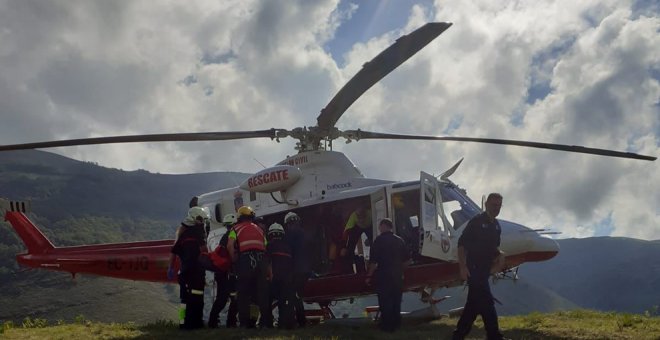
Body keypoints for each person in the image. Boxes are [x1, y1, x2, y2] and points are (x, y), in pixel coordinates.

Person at [452, 193, 508, 340]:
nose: (496, 208)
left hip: (485, 270)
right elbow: (461, 244)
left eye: (499, 205)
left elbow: (494, 247)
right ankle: (494, 336)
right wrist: (462, 267)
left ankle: (458, 335)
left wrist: (500, 254)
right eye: (494, 205)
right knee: (487, 302)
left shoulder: (496, 226)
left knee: (474, 304)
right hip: (473, 268)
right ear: (486, 205)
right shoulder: (476, 222)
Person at [227, 206, 272, 328]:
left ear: (240, 217)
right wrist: (268, 269)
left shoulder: (235, 229)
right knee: (261, 294)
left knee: (243, 294)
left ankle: (244, 324)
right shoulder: (259, 229)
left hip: (245, 262)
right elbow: (265, 247)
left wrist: (234, 261)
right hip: (261, 261)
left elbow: (230, 246)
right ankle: (265, 323)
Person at [365, 218, 411, 332]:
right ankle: (397, 324)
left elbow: (374, 262)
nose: (379, 228)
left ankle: (387, 326)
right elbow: (407, 261)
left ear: (383, 226)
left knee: (385, 301)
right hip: (397, 275)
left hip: (383, 275)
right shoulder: (400, 240)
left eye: (380, 226)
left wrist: (369, 276)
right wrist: (400, 270)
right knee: (396, 300)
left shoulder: (378, 241)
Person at [168, 206, 209, 330]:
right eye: (200, 219)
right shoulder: (198, 232)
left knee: (184, 300)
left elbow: (173, 252)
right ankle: (196, 323)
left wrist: (170, 268)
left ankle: (182, 323)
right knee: (197, 298)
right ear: (195, 219)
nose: (202, 222)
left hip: (184, 272)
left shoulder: (182, 233)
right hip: (196, 272)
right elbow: (204, 250)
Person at [208, 213, 238, 329]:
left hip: (222, 272)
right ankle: (230, 322)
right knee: (230, 297)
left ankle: (215, 321)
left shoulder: (225, 237)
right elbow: (231, 255)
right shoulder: (231, 236)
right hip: (227, 273)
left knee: (224, 298)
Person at [284, 211, 311, 327]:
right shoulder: (304, 234)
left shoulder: (289, 236)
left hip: (295, 270)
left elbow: (288, 254)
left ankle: (298, 321)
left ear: (288, 224)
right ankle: (300, 321)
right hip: (305, 270)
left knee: (293, 296)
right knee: (297, 295)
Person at [266, 222, 295, 329]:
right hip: (286, 279)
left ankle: (268, 323)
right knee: (283, 303)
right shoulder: (287, 247)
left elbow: (267, 262)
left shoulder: (269, 246)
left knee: (267, 301)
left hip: (274, 278)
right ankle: (283, 324)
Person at [340, 206, 372, 273]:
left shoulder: (370, 214)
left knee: (373, 244)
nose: (361, 220)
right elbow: (347, 232)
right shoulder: (353, 216)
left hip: (370, 226)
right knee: (350, 248)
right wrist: (344, 247)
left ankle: (372, 263)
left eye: (363, 218)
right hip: (357, 227)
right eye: (359, 218)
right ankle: (350, 269)